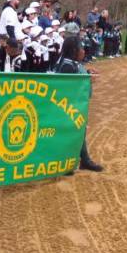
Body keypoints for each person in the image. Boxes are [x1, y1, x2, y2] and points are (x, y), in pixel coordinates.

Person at [54, 36, 103, 172]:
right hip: (69, 105)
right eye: (81, 48)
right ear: (73, 50)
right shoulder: (67, 65)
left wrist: (87, 74)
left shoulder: (70, 63)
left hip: (75, 104)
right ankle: (67, 162)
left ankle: (84, 160)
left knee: (79, 130)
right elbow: (69, 87)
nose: (83, 51)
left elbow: (77, 77)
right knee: (72, 132)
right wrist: (88, 80)